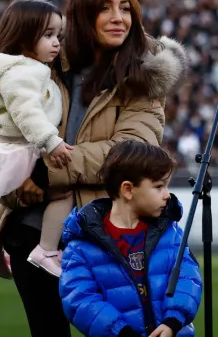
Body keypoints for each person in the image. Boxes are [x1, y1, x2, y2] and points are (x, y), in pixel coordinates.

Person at [0, 0, 189, 337]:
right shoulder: (41, 66)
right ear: (82, 15)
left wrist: (43, 173)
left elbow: (129, 155)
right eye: (105, 8)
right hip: (32, 234)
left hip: (102, 239)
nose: (119, 17)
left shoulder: (145, 78)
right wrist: (18, 184)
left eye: (125, 8)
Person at [0, 0, 75, 278]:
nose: (56, 43)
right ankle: (47, 249)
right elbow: (27, 112)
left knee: (6, 203)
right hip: (23, 148)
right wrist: (51, 141)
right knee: (64, 191)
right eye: (47, 36)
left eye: (58, 35)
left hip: (4, 147)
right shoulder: (24, 72)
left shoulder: (8, 68)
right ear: (23, 37)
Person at [60, 140, 202, 337]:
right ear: (127, 189)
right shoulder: (82, 244)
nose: (167, 195)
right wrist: (120, 332)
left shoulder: (171, 233)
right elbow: (80, 300)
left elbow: (188, 278)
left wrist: (173, 321)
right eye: (159, 186)